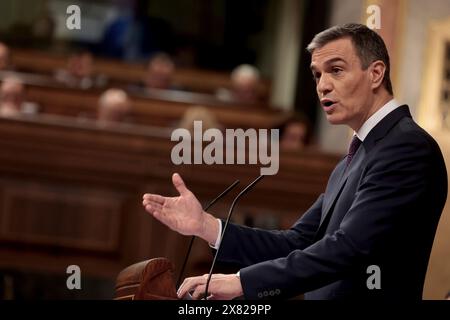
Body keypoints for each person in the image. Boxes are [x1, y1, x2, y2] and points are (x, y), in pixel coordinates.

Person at [142, 24, 448, 300]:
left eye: (336, 70)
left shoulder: (405, 147)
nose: (323, 85)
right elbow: (297, 242)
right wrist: (207, 226)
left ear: (376, 73)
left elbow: (349, 248)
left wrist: (242, 282)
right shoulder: (353, 159)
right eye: (317, 74)